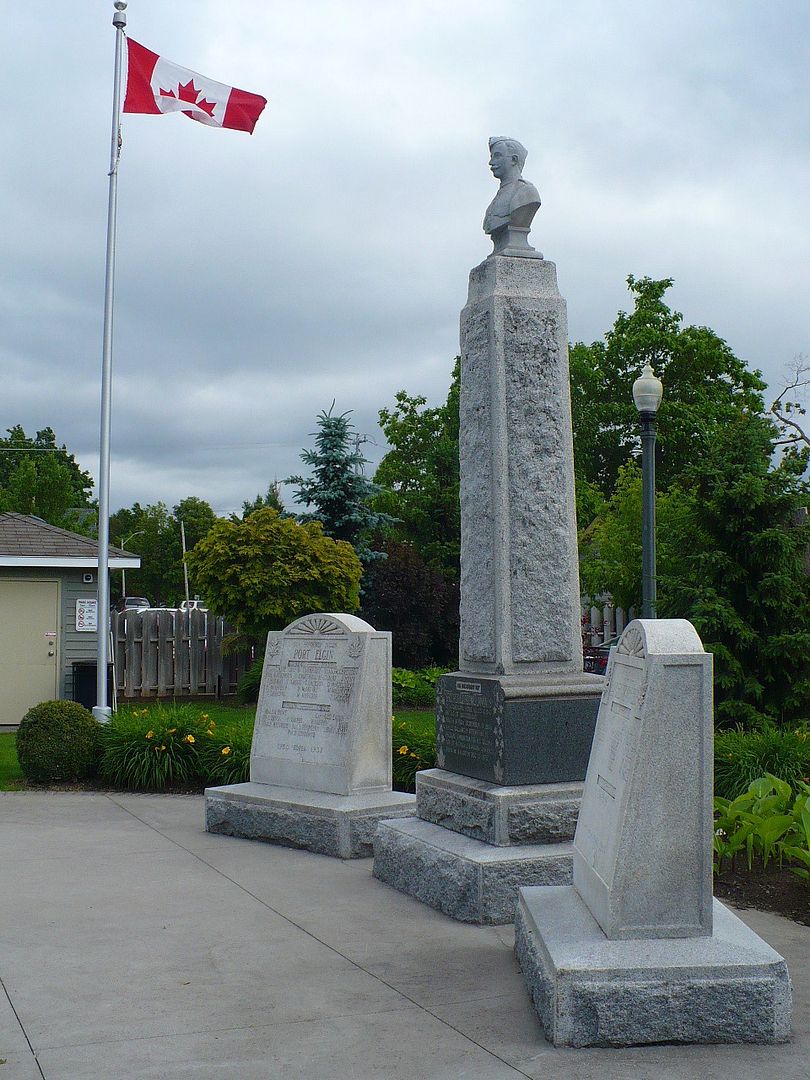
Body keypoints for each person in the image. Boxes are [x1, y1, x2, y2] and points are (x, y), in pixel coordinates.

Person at [483, 137, 541, 247]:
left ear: (514, 160)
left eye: (497, 156)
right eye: (491, 157)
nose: (491, 162)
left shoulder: (527, 192)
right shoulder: (497, 198)